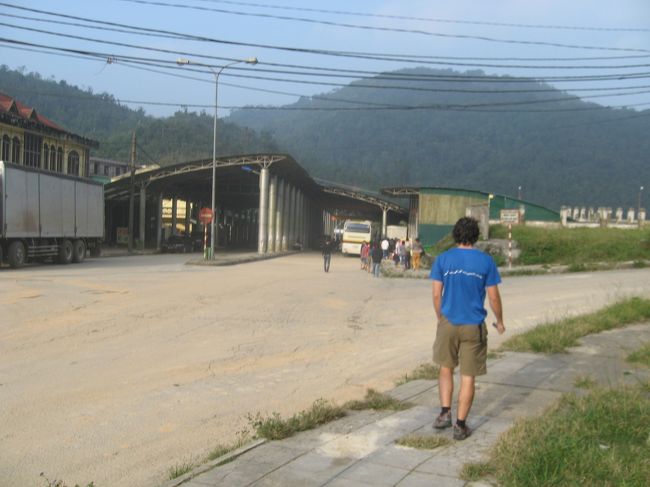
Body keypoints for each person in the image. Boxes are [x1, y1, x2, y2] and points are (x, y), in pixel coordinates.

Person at [430, 217, 505, 440]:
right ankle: (460, 425)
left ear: (455, 234)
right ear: (476, 236)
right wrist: (500, 320)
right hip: (473, 326)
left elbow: (436, 294)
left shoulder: (443, 259)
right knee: (468, 375)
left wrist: (441, 317)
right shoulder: (486, 262)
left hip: (448, 323)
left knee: (445, 368)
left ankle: (445, 413)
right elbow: (493, 297)